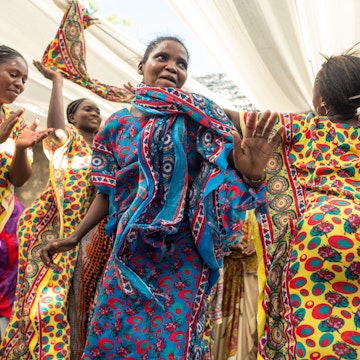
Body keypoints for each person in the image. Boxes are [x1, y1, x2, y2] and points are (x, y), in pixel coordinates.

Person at [40, 35, 283, 359]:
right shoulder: (116, 126)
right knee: (112, 338)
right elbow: (106, 193)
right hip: (129, 252)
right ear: (142, 66)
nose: (172, 67)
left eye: (181, 63)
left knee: (173, 345)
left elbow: (226, 184)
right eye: (162, 58)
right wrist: (74, 236)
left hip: (183, 257)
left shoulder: (201, 119)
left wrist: (250, 174)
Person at [223, 44, 360, 359]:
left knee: (310, 327)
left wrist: (163, 94)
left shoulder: (304, 127)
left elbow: (221, 116)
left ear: (321, 100)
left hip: (320, 236)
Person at [0, 61, 103, 359]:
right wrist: (57, 82)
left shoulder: (105, 152)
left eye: (98, 110)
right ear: (72, 117)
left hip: (81, 237)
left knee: (68, 305)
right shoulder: (67, 142)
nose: (95, 113)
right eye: (87, 109)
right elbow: (56, 128)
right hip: (47, 229)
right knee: (45, 305)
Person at [0, 45, 52, 342]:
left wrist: (20, 149)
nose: (19, 84)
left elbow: (18, 178)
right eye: (13, 74)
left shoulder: (16, 120)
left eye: (24, 80)